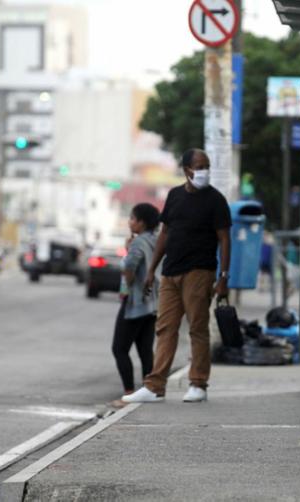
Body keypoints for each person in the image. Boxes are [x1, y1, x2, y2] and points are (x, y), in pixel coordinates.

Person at [122, 149, 231, 404]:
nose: (204, 171)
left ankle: (198, 384)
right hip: (171, 272)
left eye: (207, 166)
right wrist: (151, 270)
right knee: (165, 328)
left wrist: (223, 277)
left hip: (199, 272)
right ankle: (155, 387)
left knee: (197, 328)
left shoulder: (215, 200)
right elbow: (165, 234)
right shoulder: (174, 196)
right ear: (186, 170)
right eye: (199, 166)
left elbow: (224, 239)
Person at [111, 203, 161, 401]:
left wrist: (128, 253)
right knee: (145, 350)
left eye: (132, 218)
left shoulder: (139, 243)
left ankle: (129, 391)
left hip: (135, 303)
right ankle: (151, 390)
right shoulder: (156, 240)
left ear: (141, 222)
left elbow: (129, 266)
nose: (130, 222)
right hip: (152, 304)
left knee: (119, 348)